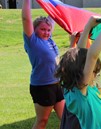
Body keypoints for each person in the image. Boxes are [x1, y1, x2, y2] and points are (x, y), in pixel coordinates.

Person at [55, 14, 101, 129]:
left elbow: (80, 53)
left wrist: (88, 27)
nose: (94, 75)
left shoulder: (70, 89)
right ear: (81, 73)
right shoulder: (80, 94)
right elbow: (91, 56)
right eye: (93, 71)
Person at [22, 0, 65, 128]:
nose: (46, 32)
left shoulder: (49, 39)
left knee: (65, 118)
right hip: (42, 86)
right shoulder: (32, 41)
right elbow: (26, 18)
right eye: (42, 29)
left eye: (48, 30)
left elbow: (54, 13)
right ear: (34, 30)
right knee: (42, 121)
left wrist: (54, 2)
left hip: (57, 84)